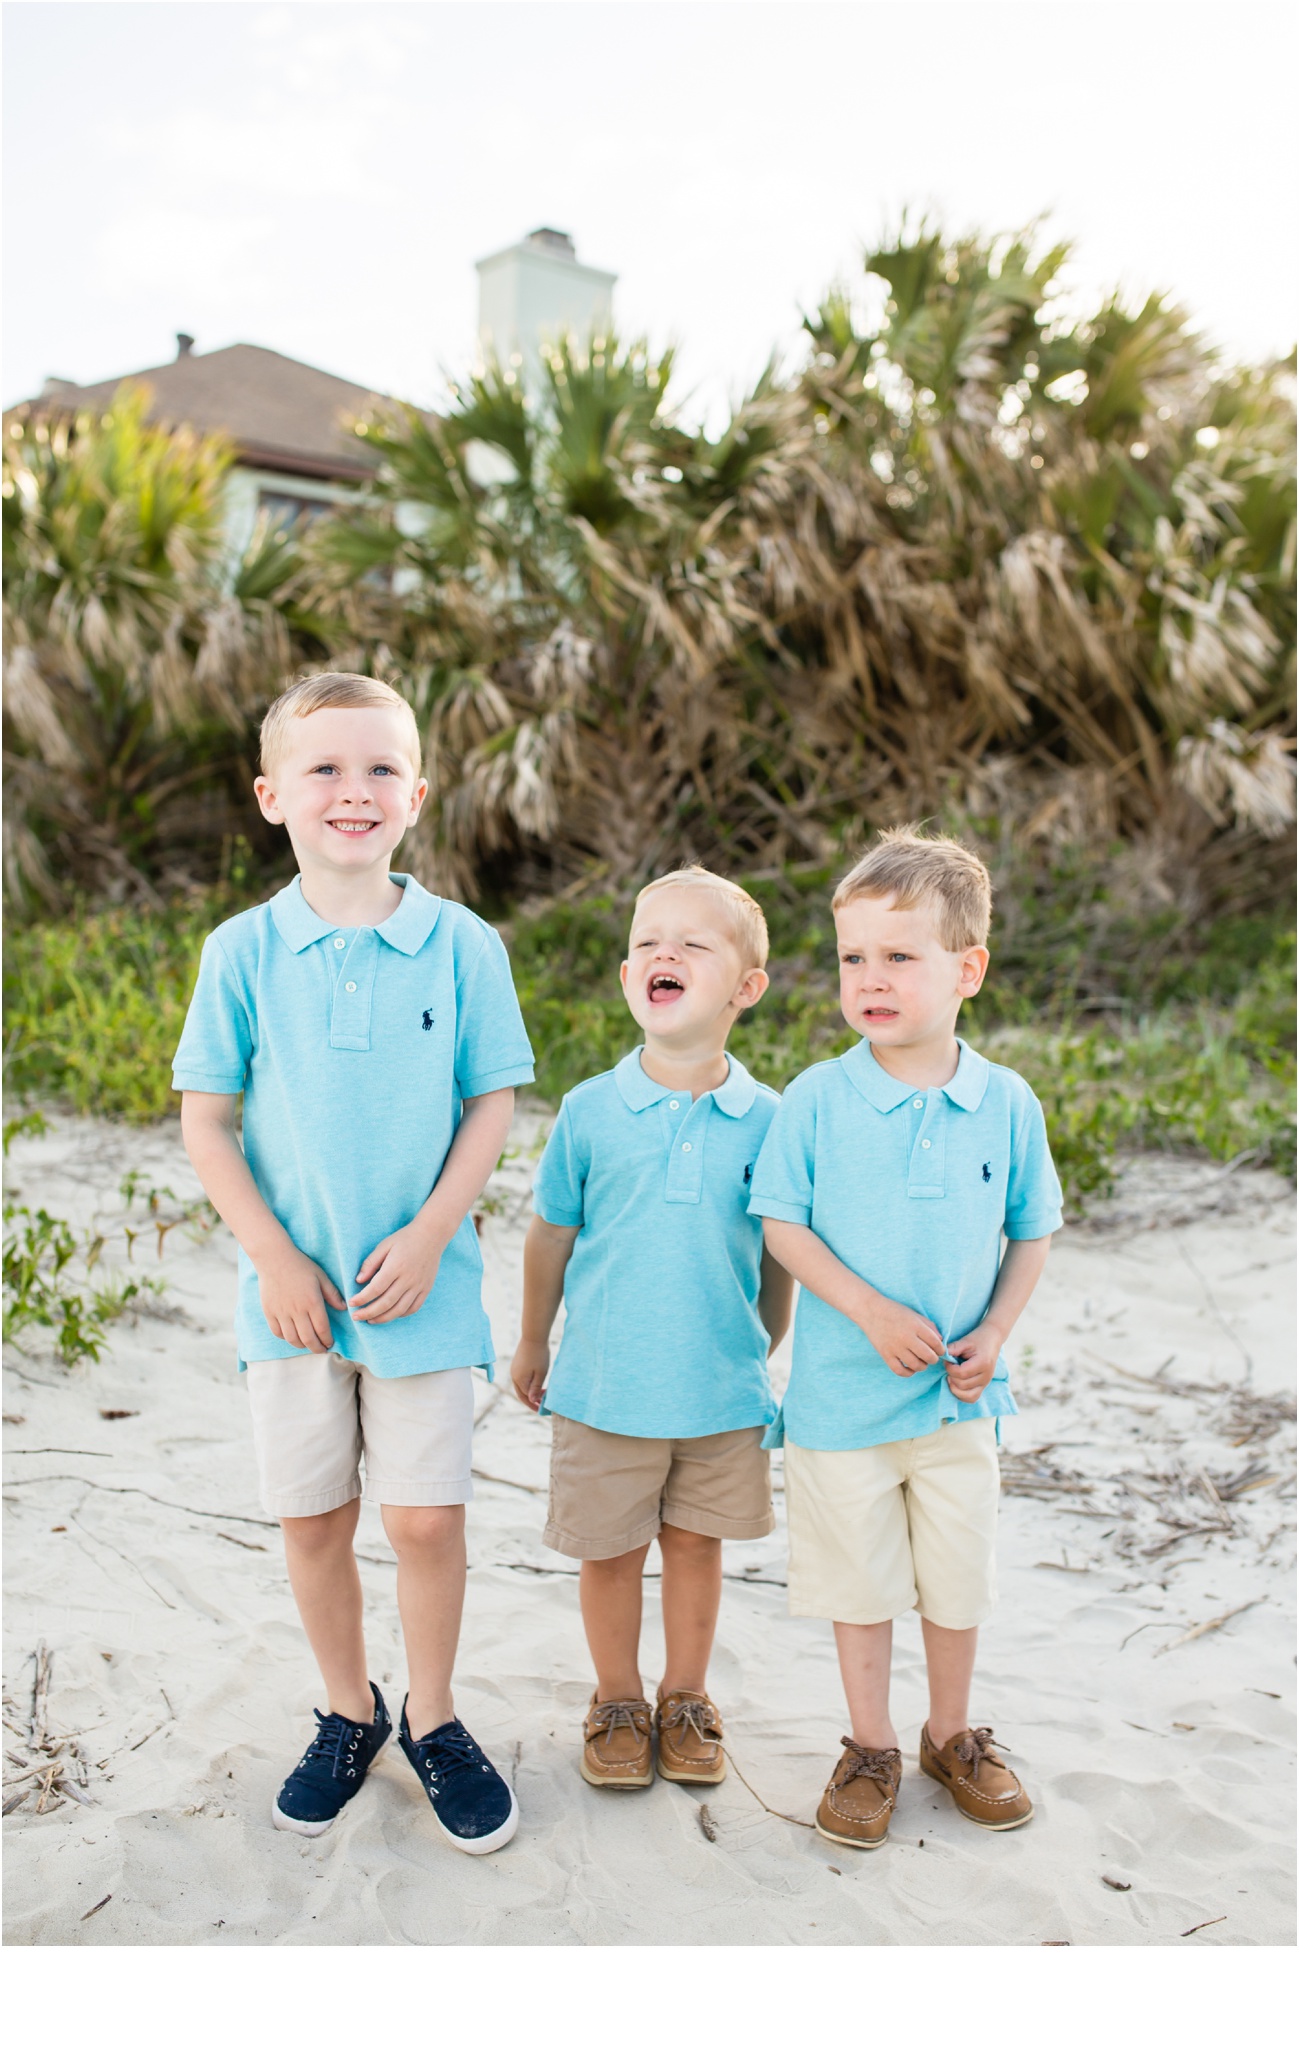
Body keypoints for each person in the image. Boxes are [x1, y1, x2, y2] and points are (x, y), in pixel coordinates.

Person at [173, 671, 534, 1853]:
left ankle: (432, 1714)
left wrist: (435, 1231)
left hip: (420, 1295)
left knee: (426, 1522)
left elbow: (493, 1101)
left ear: (417, 793)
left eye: (380, 767)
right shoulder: (243, 951)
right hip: (293, 1300)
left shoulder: (461, 944)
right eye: (325, 768)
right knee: (314, 1517)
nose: (354, 790)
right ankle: (348, 1705)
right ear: (273, 795)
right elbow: (207, 1121)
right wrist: (273, 1255)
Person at [749, 828, 1062, 1848]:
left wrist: (999, 1328)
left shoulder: (1005, 1101)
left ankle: (951, 1731)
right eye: (852, 957)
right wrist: (872, 1311)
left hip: (961, 1398)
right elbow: (783, 1224)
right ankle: (871, 1742)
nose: (869, 979)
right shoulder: (816, 1099)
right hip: (842, 1400)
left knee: (956, 1574)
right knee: (860, 1581)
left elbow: (1032, 1230)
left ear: (967, 968)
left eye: (899, 956)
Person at [511, 868, 794, 1790]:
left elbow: (777, 1260)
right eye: (646, 942)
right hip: (602, 1384)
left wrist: (760, 1350)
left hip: (717, 1389)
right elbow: (552, 1232)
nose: (661, 953)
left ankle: (684, 1695)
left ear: (744, 988)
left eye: (691, 943)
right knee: (609, 1552)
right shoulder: (591, 1109)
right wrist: (531, 1341)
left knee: (696, 1548)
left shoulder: (770, 1120)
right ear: (627, 974)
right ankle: (617, 1698)